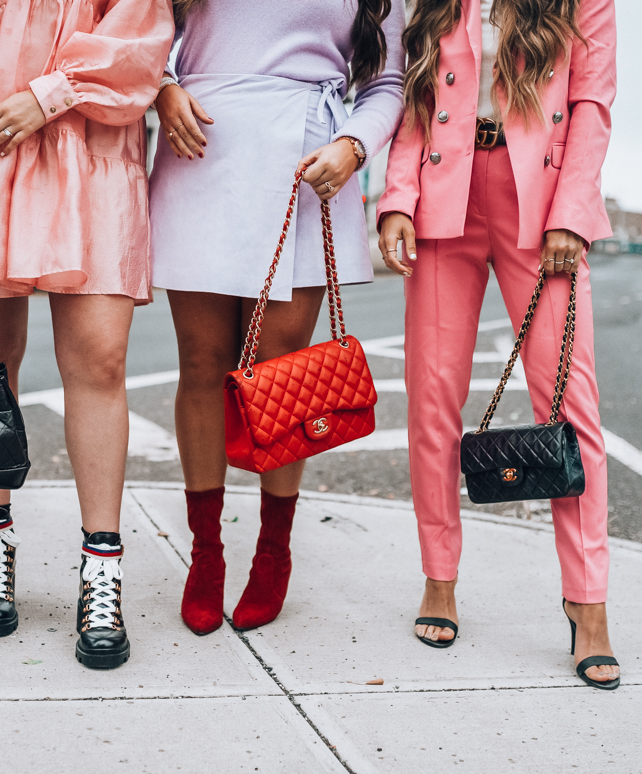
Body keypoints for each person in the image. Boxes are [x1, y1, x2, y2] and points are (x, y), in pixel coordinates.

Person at [0, 0, 174, 669]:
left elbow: (141, 36)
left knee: (100, 362)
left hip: (94, 153)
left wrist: (50, 94)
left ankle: (102, 573)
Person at [377, 0, 619, 688]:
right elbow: (412, 103)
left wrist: (572, 211)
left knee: (573, 409)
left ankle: (589, 601)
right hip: (442, 200)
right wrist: (398, 197)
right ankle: (439, 577)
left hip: (540, 205)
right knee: (430, 401)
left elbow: (593, 104)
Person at [148, 0, 405, 635]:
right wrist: (163, 88)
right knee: (202, 364)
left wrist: (353, 145)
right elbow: (141, 31)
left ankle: (273, 549)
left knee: (281, 373)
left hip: (307, 161)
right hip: (200, 145)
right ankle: (205, 553)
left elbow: (389, 82)